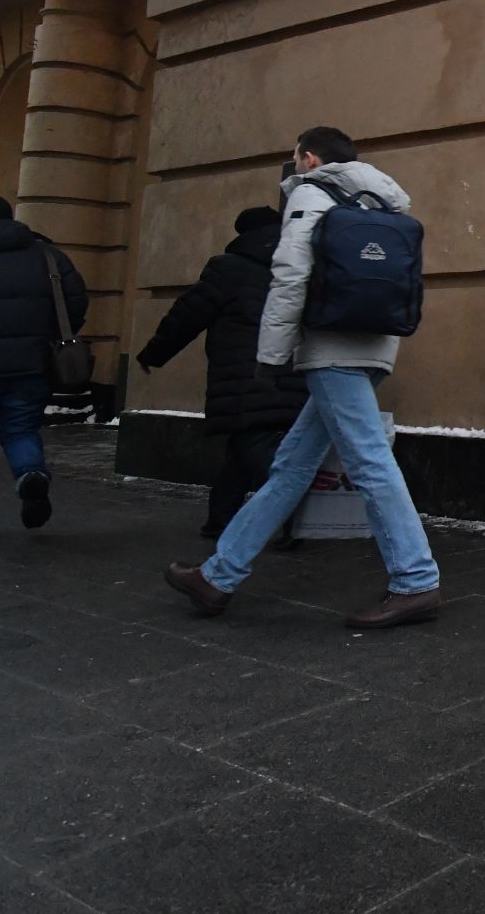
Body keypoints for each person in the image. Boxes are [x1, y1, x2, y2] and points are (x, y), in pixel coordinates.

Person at [165, 127, 442, 628]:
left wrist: (271, 356)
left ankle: (415, 579)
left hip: (330, 348)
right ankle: (217, 577)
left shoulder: (312, 194)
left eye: (294, 158)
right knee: (291, 466)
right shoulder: (384, 200)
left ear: (309, 158)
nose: (293, 166)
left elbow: (291, 273)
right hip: (376, 344)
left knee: (369, 461)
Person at [136, 205, 309, 538]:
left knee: (256, 448)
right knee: (245, 448)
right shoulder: (300, 267)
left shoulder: (228, 269)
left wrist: (154, 354)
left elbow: (187, 316)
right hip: (294, 373)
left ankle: (292, 520)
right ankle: (220, 520)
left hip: (244, 379)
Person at [0, 191, 87, 535]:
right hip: (32, 364)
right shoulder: (46, 254)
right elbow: (75, 302)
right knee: (20, 428)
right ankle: (31, 473)